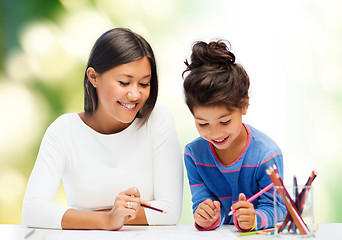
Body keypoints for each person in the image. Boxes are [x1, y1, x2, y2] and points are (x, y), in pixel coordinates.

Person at [22, 28, 183, 230]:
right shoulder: (64, 130)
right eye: (124, 82)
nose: (135, 94)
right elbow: (32, 210)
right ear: (94, 77)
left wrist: (88, 216)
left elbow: (169, 211)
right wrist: (107, 220)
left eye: (144, 83)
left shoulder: (157, 121)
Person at [182, 40, 286, 232]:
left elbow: (278, 208)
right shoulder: (193, 154)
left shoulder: (266, 154)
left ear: (244, 105)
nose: (215, 134)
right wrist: (207, 216)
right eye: (203, 124)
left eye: (225, 122)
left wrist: (255, 218)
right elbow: (202, 204)